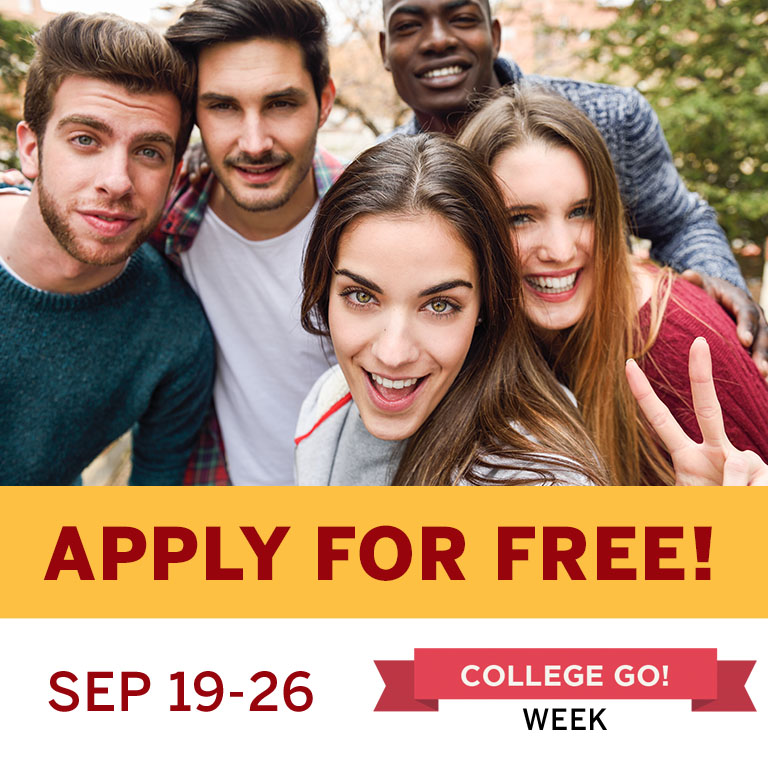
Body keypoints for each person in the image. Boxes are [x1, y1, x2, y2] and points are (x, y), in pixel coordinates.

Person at [378, 0, 768, 370]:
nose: (437, 40)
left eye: (461, 18)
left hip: (612, 375)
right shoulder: (385, 177)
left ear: (495, 35)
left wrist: (720, 288)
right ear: (384, 48)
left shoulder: (611, 119)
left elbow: (679, 223)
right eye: (408, 26)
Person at [459, 86, 768, 484]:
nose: (560, 249)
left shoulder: (675, 347)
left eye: (582, 212)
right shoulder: (489, 328)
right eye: (521, 218)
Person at [297, 133, 608, 486]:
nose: (393, 353)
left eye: (439, 305)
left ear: (485, 307)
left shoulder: (539, 480)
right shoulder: (325, 403)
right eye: (362, 297)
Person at [0, 12, 215, 485]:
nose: (116, 182)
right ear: (31, 149)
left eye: (148, 152)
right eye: (85, 140)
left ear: (175, 174)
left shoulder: (176, 336)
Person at [150, 0, 344, 485]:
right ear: (193, 115)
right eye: (223, 107)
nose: (254, 143)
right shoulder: (165, 224)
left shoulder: (377, 222)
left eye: (280, 103)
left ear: (324, 100)